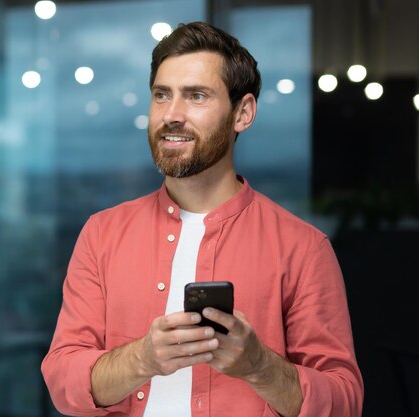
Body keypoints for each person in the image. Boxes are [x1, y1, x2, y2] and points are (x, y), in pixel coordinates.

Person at [41, 21, 363, 417]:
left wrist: (259, 366)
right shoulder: (101, 234)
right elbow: (62, 381)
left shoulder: (303, 248)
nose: (172, 114)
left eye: (196, 96)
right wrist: (142, 358)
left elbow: (344, 402)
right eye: (162, 95)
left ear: (242, 113)